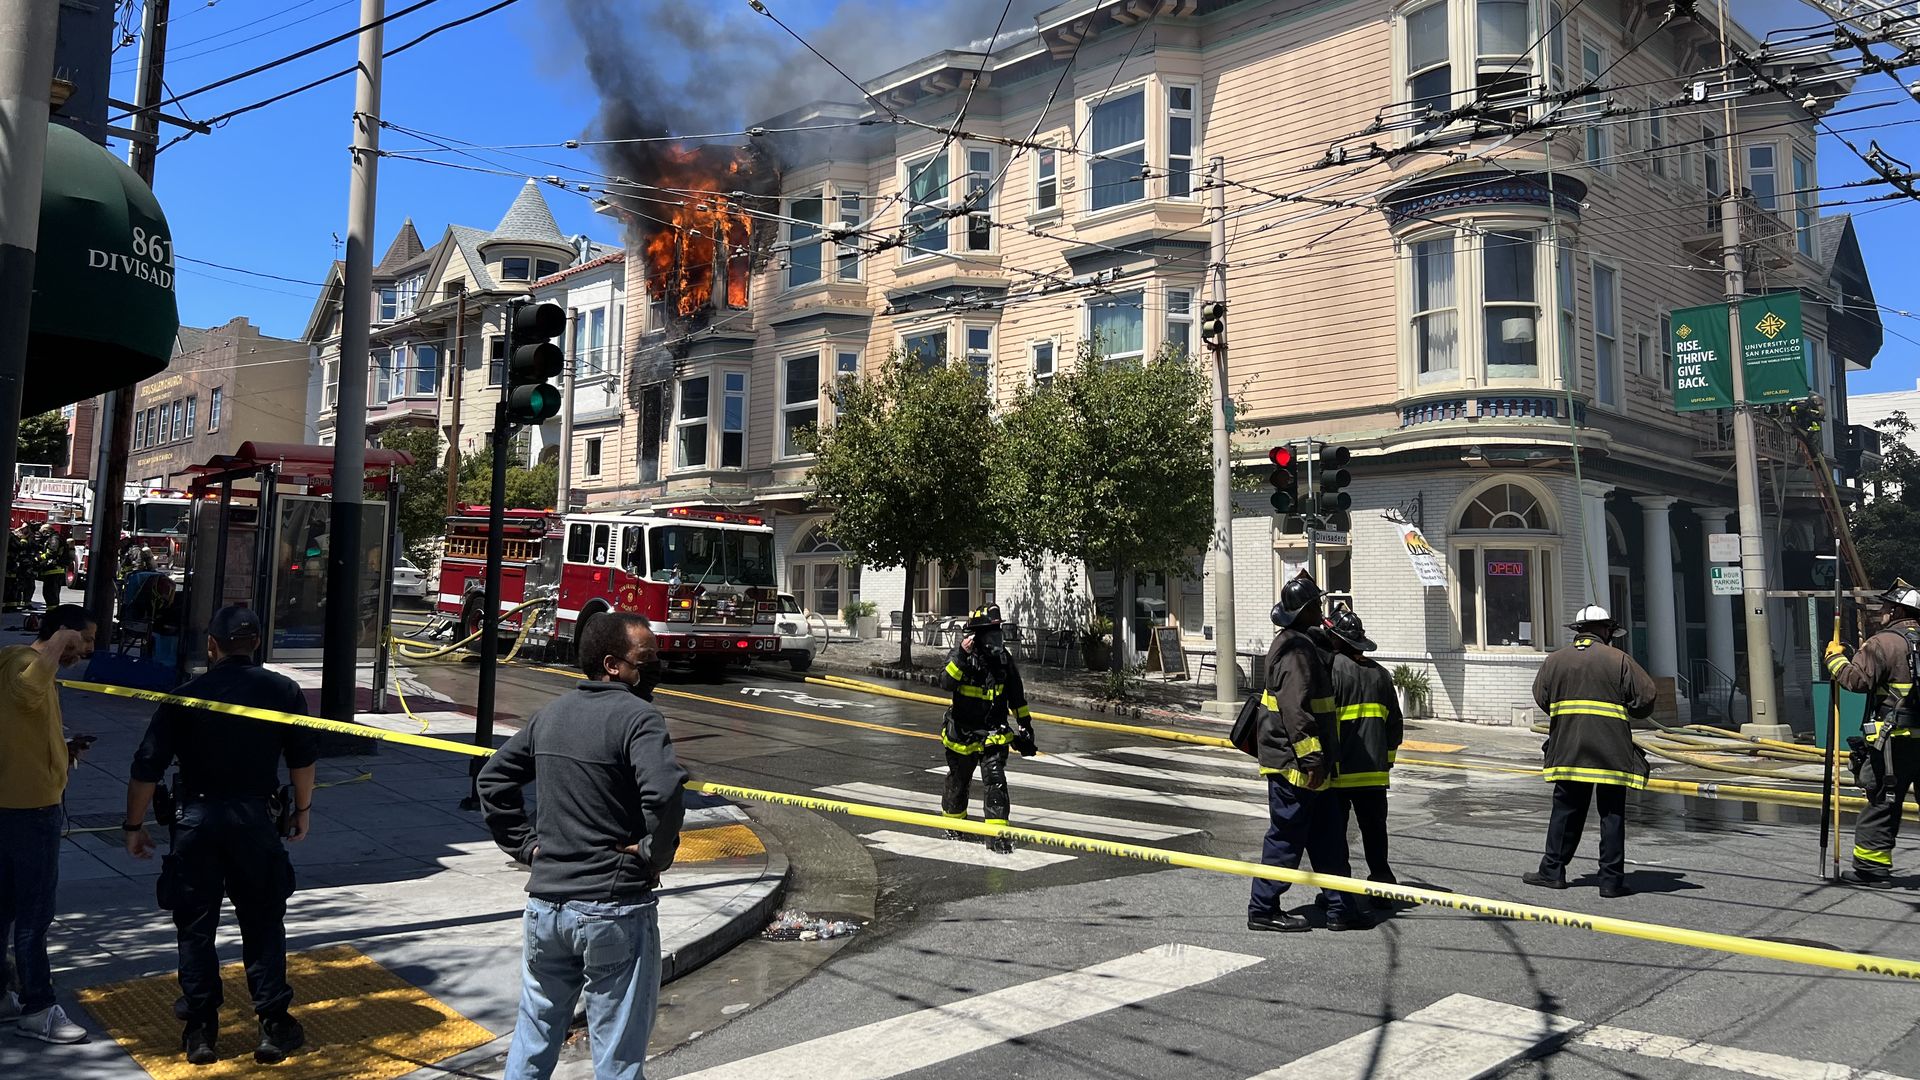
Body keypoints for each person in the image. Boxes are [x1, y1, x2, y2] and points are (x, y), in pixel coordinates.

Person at [478, 612, 685, 1080]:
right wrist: (657, 854)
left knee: (534, 1036)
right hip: (613, 908)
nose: (655, 667)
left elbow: (493, 780)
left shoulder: (550, 715)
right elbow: (666, 791)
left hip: (546, 909)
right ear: (612, 665)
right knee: (618, 1052)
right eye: (645, 659)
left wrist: (527, 847)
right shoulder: (639, 718)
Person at [123, 606, 316, 1066]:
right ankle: (272, 1024)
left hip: (196, 822)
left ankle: (201, 1027)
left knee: (195, 926)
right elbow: (302, 759)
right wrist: (303, 811)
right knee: (263, 921)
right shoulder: (284, 691)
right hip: (254, 821)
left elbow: (146, 767)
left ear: (212, 646)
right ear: (256, 645)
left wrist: (134, 827)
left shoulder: (185, 696)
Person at [0, 605, 97, 1043]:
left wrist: (62, 750)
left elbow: (23, 720)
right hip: (30, 811)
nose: (89, 649)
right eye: (87, 639)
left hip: (15, 803)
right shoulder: (24, 663)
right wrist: (59, 644)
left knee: (5, 907)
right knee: (35, 916)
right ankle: (39, 1007)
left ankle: (3, 993)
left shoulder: (22, 664)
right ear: (66, 634)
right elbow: (27, 693)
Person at [1248, 573, 1363, 932]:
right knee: (1286, 837)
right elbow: (1296, 712)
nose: (1321, 608)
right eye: (1316, 604)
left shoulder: (1301, 643)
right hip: (1297, 766)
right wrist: (1312, 759)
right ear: (1304, 610)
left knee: (1328, 838)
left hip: (1314, 766)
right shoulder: (1295, 652)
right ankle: (1263, 908)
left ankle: (1339, 907)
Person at [1525, 605, 1657, 898]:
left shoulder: (1555, 661)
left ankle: (1553, 871)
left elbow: (1541, 697)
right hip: (1611, 752)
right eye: (1610, 631)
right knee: (1612, 814)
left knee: (1565, 811)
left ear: (1579, 631)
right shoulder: (1619, 659)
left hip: (1569, 749)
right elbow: (1645, 699)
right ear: (1605, 629)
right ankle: (1610, 881)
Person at [1826, 579, 1920, 888]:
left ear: (1896, 610)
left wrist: (1834, 659)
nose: (1880, 611)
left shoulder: (1884, 643)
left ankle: (1871, 867)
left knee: (1882, 800)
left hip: (1895, 743)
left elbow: (1856, 681)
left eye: (1885, 607)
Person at [1320, 604, 1406, 897]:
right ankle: (1382, 883)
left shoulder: (1331, 670)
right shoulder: (1381, 675)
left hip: (1341, 775)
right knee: (1375, 832)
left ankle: (1340, 893)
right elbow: (1395, 725)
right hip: (1374, 774)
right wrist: (1387, 761)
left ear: (1337, 639)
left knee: (1334, 835)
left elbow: (1323, 722)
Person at [937, 604, 1036, 855]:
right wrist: (960, 655)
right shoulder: (962, 656)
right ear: (976, 637)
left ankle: (997, 836)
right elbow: (946, 682)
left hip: (993, 733)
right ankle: (953, 827)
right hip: (963, 733)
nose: (996, 640)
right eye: (991, 635)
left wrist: (1025, 727)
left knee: (996, 781)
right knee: (959, 781)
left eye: (998, 634)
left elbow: (1016, 696)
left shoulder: (1004, 661)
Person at [36, 529, 72, 612]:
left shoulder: (54, 538)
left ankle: (52, 613)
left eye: (42, 532)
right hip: (54, 570)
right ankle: (52, 611)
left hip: (53, 570)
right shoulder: (54, 537)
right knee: (51, 593)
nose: (41, 534)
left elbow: (52, 552)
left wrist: (39, 558)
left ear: (46, 531)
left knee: (50, 593)